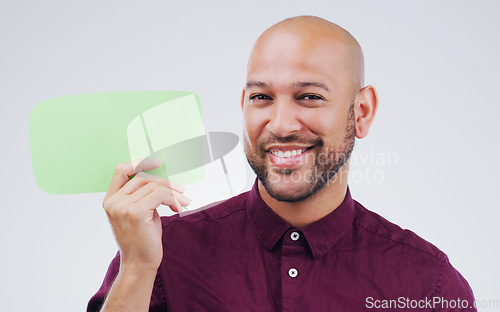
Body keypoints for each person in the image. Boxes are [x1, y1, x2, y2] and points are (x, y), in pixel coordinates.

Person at [88, 16, 477, 311]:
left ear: (361, 112)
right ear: (244, 107)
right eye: (262, 97)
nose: (280, 124)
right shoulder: (158, 253)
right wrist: (138, 267)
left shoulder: (429, 282)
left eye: (308, 96)